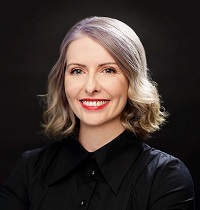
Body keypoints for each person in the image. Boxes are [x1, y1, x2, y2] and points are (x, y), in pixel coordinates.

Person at [0, 16, 195, 210]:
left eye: (108, 70)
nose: (91, 87)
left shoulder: (165, 177)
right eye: (77, 71)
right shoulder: (30, 169)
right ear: (63, 81)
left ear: (132, 81)